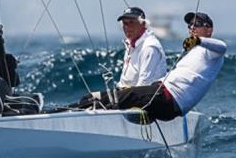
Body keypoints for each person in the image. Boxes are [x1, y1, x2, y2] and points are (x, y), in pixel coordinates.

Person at [74, 11, 226, 121]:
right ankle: (71, 111)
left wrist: (199, 41)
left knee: (106, 99)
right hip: (162, 97)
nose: (192, 27)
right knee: (95, 98)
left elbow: (222, 46)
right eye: (190, 25)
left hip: (168, 98)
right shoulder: (197, 52)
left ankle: (66, 114)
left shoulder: (212, 53)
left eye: (198, 24)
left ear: (209, 29)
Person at [116, 6, 167, 88]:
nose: (127, 27)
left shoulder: (149, 48)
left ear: (143, 24)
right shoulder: (131, 43)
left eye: (132, 22)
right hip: (125, 92)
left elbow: (143, 86)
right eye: (125, 23)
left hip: (142, 97)